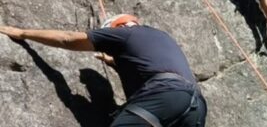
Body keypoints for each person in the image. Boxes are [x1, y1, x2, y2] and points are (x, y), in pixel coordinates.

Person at [0, 14, 207, 127]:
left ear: (117, 27)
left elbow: (68, 39)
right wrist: (117, 62)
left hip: (165, 95)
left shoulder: (125, 33)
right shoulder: (159, 36)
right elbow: (148, 64)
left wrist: (22, 33)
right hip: (195, 106)